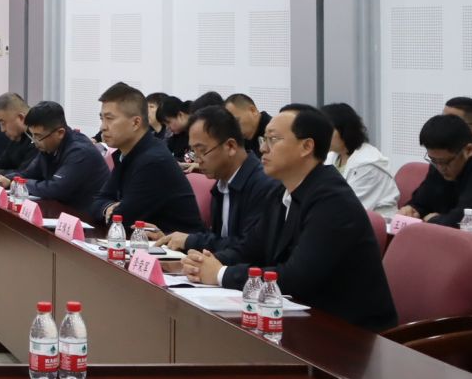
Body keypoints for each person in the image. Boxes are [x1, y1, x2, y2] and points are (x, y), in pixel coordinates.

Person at [184, 105, 398, 330]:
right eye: (263, 139)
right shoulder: (282, 191)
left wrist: (221, 273)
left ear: (306, 146)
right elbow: (250, 247)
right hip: (304, 319)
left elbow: (296, 278)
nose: (263, 148)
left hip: (349, 332)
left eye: (273, 140)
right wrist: (203, 263)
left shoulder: (333, 201)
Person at [163, 105, 276, 259]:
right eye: (194, 152)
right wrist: (170, 239)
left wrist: (191, 241)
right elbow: (217, 239)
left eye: (202, 151)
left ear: (230, 146)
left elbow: (249, 249)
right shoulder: (221, 183)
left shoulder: (264, 186)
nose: (198, 160)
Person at [97, 81, 202, 233]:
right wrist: (107, 208)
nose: (102, 127)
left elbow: (122, 220)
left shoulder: (154, 161)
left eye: (109, 119)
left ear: (135, 123)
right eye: (102, 119)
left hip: (178, 246)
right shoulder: (125, 153)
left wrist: (113, 212)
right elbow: (98, 201)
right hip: (145, 242)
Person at [14, 100, 109, 220]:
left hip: (88, 221)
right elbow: (28, 173)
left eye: (38, 136)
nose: (34, 141)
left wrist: (21, 183)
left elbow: (55, 189)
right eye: (32, 135)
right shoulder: (47, 146)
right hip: (63, 215)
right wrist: (8, 179)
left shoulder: (80, 152)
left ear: (60, 133)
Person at [322, 102, 399, 215]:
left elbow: (349, 206)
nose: (321, 136)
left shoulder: (367, 164)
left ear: (345, 130)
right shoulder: (331, 156)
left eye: (327, 131)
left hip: (375, 222)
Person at [0, 93, 36, 185]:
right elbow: (2, 162)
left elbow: (24, 174)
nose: (2, 130)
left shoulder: (37, 140)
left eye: (3, 123)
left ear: (21, 118)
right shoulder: (17, 137)